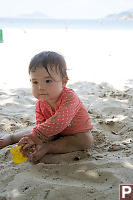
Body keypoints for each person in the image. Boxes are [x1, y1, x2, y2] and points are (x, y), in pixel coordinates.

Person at [0, 51, 93, 162]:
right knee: (38, 130)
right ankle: (12, 137)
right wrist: (36, 141)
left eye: (48, 81)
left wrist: (37, 137)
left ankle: (48, 148)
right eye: (35, 82)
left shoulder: (70, 98)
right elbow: (42, 126)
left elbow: (59, 121)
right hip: (54, 133)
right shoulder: (40, 103)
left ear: (63, 82)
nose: (40, 87)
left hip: (76, 133)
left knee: (86, 140)